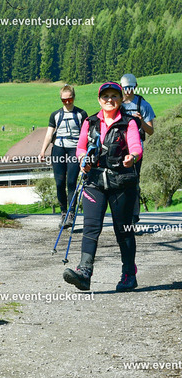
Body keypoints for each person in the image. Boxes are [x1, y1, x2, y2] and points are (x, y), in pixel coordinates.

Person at [63, 82, 142, 292]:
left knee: (123, 229)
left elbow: (136, 146)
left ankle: (129, 274)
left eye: (114, 96)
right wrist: (83, 159)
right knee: (90, 227)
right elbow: (80, 147)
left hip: (121, 182)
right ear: (99, 100)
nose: (109, 99)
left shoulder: (129, 123)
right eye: (105, 96)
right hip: (94, 182)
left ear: (120, 99)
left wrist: (132, 157)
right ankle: (84, 273)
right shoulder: (90, 122)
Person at [39, 85, 88, 228]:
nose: (67, 102)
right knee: (59, 183)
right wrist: (43, 151)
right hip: (58, 149)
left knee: (71, 182)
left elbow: (86, 134)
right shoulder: (55, 115)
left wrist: (86, 152)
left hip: (74, 149)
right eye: (64, 100)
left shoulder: (81, 114)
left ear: (74, 97)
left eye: (70, 99)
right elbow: (49, 134)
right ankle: (63, 213)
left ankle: (71, 214)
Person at [120, 73, 156, 224]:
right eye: (125, 88)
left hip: (136, 147)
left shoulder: (143, 105)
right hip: (119, 146)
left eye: (130, 87)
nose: (128, 91)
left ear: (135, 87)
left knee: (134, 179)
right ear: (121, 87)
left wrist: (141, 122)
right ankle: (122, 213)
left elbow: (151, 131)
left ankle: (134, 215)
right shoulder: (117, 104)